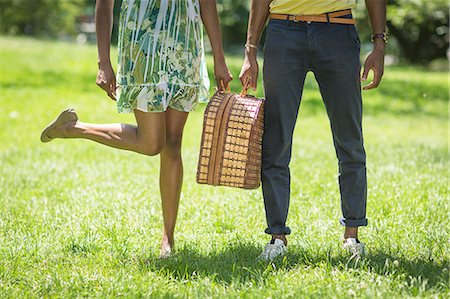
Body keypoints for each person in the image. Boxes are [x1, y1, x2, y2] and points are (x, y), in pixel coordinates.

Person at [40, 0, 232, 258]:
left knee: (173, 144)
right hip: (143, 48)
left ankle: (168, 238)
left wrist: (219, 58)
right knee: (152, 143)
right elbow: (104, 4)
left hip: (184, 48)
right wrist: (103, 61)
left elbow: (207, 3)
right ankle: (74, 128)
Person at [240, 0, 386, 260]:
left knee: (349, 139)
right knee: (276, 141)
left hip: (337, 30)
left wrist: (379, 43)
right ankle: (277, 237)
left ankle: (352, 235)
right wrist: (250, 51)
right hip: (283, 31)